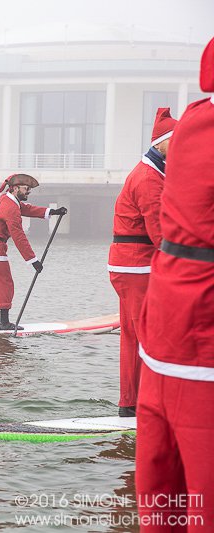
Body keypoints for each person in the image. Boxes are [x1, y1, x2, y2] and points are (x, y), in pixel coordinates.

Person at [135, 38, 214, 531]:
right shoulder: (147, 177)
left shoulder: (196, 123)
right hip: (200, 327)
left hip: (165, 313)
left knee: (162, 494)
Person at [108, 107, 176, 418]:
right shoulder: (149, 177)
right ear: (162, 143)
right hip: (136, 267)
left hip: (129, 265)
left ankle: (130, 404)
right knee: (148, 336)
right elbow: (160, 234)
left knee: (133, 335)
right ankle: (147, 405)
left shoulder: (152, 172)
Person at [0, 174, 67, 330]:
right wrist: (33, 261)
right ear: (15, 188)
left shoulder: (6, 199)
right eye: (26, 188)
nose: (29, 191)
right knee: (4, 284)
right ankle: (4, 323)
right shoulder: (10, 209)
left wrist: (53, 212)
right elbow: (19, 237)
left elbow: (26, 208)